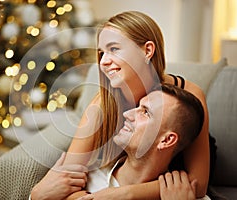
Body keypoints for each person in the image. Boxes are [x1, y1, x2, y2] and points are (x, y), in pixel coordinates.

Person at [30, 10, 210, 200]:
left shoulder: (189, 95)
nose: (104, 62)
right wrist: (37, 195)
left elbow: (197, 184)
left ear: (147, 50)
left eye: (114, 49)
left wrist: (126, 194)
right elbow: (67, 180)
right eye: (101, 53)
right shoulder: (101, 106)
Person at [31, 84, 208, 200]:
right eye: (137, 106)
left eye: (145, 112)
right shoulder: (78, 182)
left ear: (167, 140)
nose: (127, 114)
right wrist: (36, 196)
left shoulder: (183, 196)